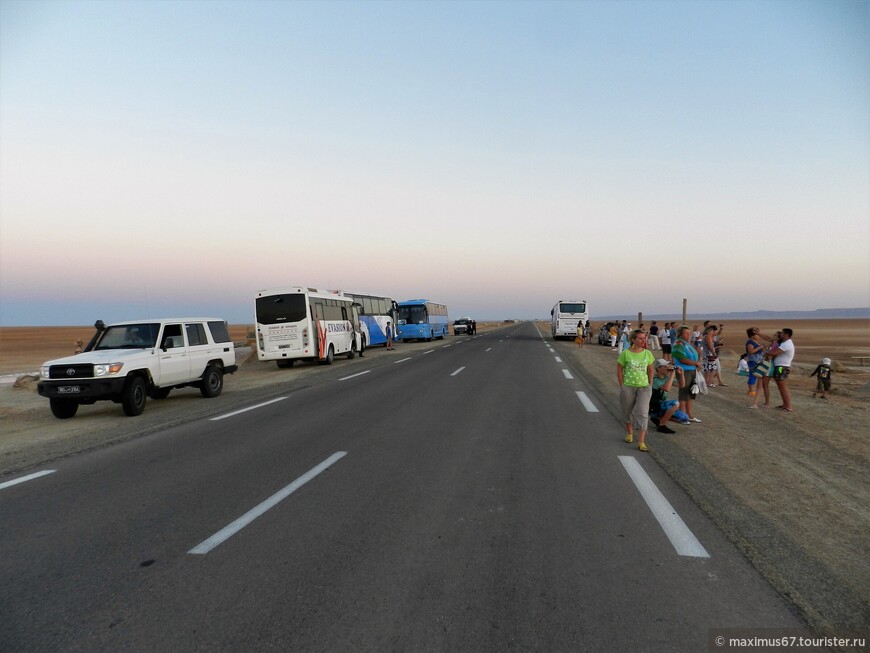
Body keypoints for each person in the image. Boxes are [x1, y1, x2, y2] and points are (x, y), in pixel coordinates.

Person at [617, 330, 656, 451]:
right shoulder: (625, 354)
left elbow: (650, 369)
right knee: (627, 411)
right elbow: (619, 369)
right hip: (628, 386)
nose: (643, 340)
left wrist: (650, 384)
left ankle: (641, 441)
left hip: (643, 387)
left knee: (642, 412)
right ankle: (629, 433)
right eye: (640, 338)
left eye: (644, 338)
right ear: (633, 340)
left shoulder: (647, 354)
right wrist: (622, 385)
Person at [672, 325, 703, 423]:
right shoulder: (678, 344)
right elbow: (682, 359)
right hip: (683, 371)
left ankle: (689, 415)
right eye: (686, 333)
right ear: (680, 334)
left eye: (689, 333)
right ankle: (681, 415)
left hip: (691, 370)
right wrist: (696, 363)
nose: (689, 335)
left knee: (690, 393)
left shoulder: (686, 343)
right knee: (683, 393)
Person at [650, 359, 683, 434]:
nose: (668, 368)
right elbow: (666, 389)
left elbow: (681, 385)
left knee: (683, 418)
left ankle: (658, 418)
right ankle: (662, 425)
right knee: (675, 403)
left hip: (660, 404)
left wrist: (681, 374)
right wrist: (672, 374)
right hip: (653, 406)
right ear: (658, 368)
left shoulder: (666, 378)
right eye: (665, 367)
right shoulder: (654, 379)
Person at [768, 328, 795, 411]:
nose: (781, 334)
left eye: (782, 333)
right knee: (781, 387)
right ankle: (785, 405)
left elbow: (774, 353)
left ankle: (788, 406)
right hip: (781, 367)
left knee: (783, 387)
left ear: (786, 334)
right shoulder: (786, 343)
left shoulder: (786, 344)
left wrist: (767, 352)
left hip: (781, 367)